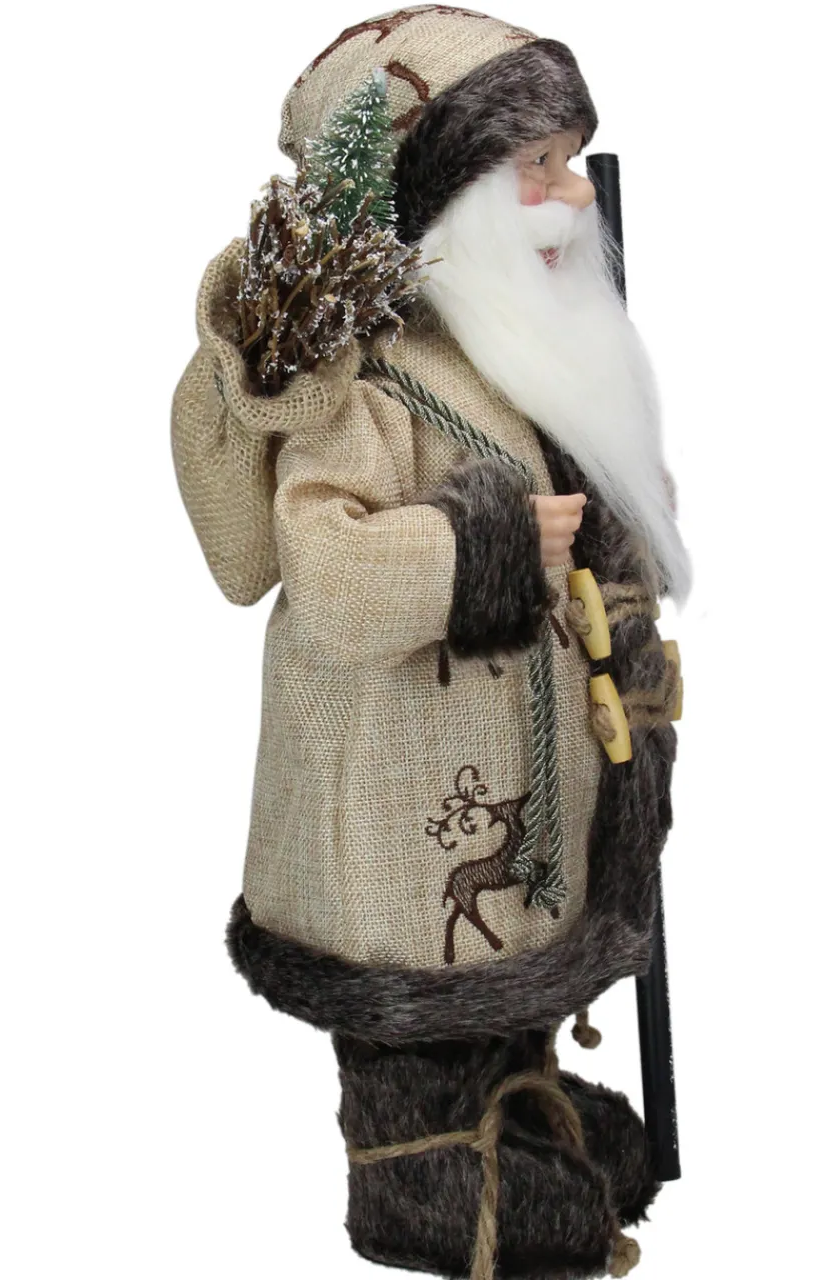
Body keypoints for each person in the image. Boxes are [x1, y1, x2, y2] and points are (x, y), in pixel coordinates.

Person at [172, 9, 691, 1277]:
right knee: (421, 993)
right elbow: (328, 574)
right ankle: (418, 1172)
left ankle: (516, 1104)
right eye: (539, 167)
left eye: (572, 159)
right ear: (446, 191)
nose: (574, 195)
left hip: (525, 770)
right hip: (396, 795)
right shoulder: (368, 380)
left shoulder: (509, 344)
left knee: (509, 960)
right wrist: (488, 542)